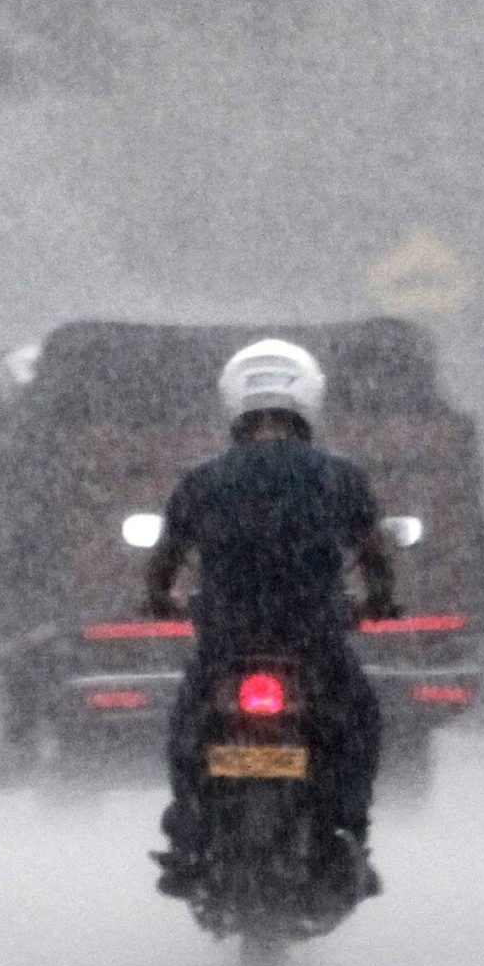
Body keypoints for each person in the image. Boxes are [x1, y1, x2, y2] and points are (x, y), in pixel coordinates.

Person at [143, 338, 396, 901]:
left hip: (227, 646)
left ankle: (189, 832)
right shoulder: (340, 478)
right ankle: (349, 832)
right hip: (315, 643)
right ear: (308, 401)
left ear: (235, 403)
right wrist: (379, 599)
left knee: (189, 730)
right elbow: (374, 558)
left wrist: (159, 600)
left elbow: (163, 564)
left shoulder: (202, 480)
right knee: (357, 725)